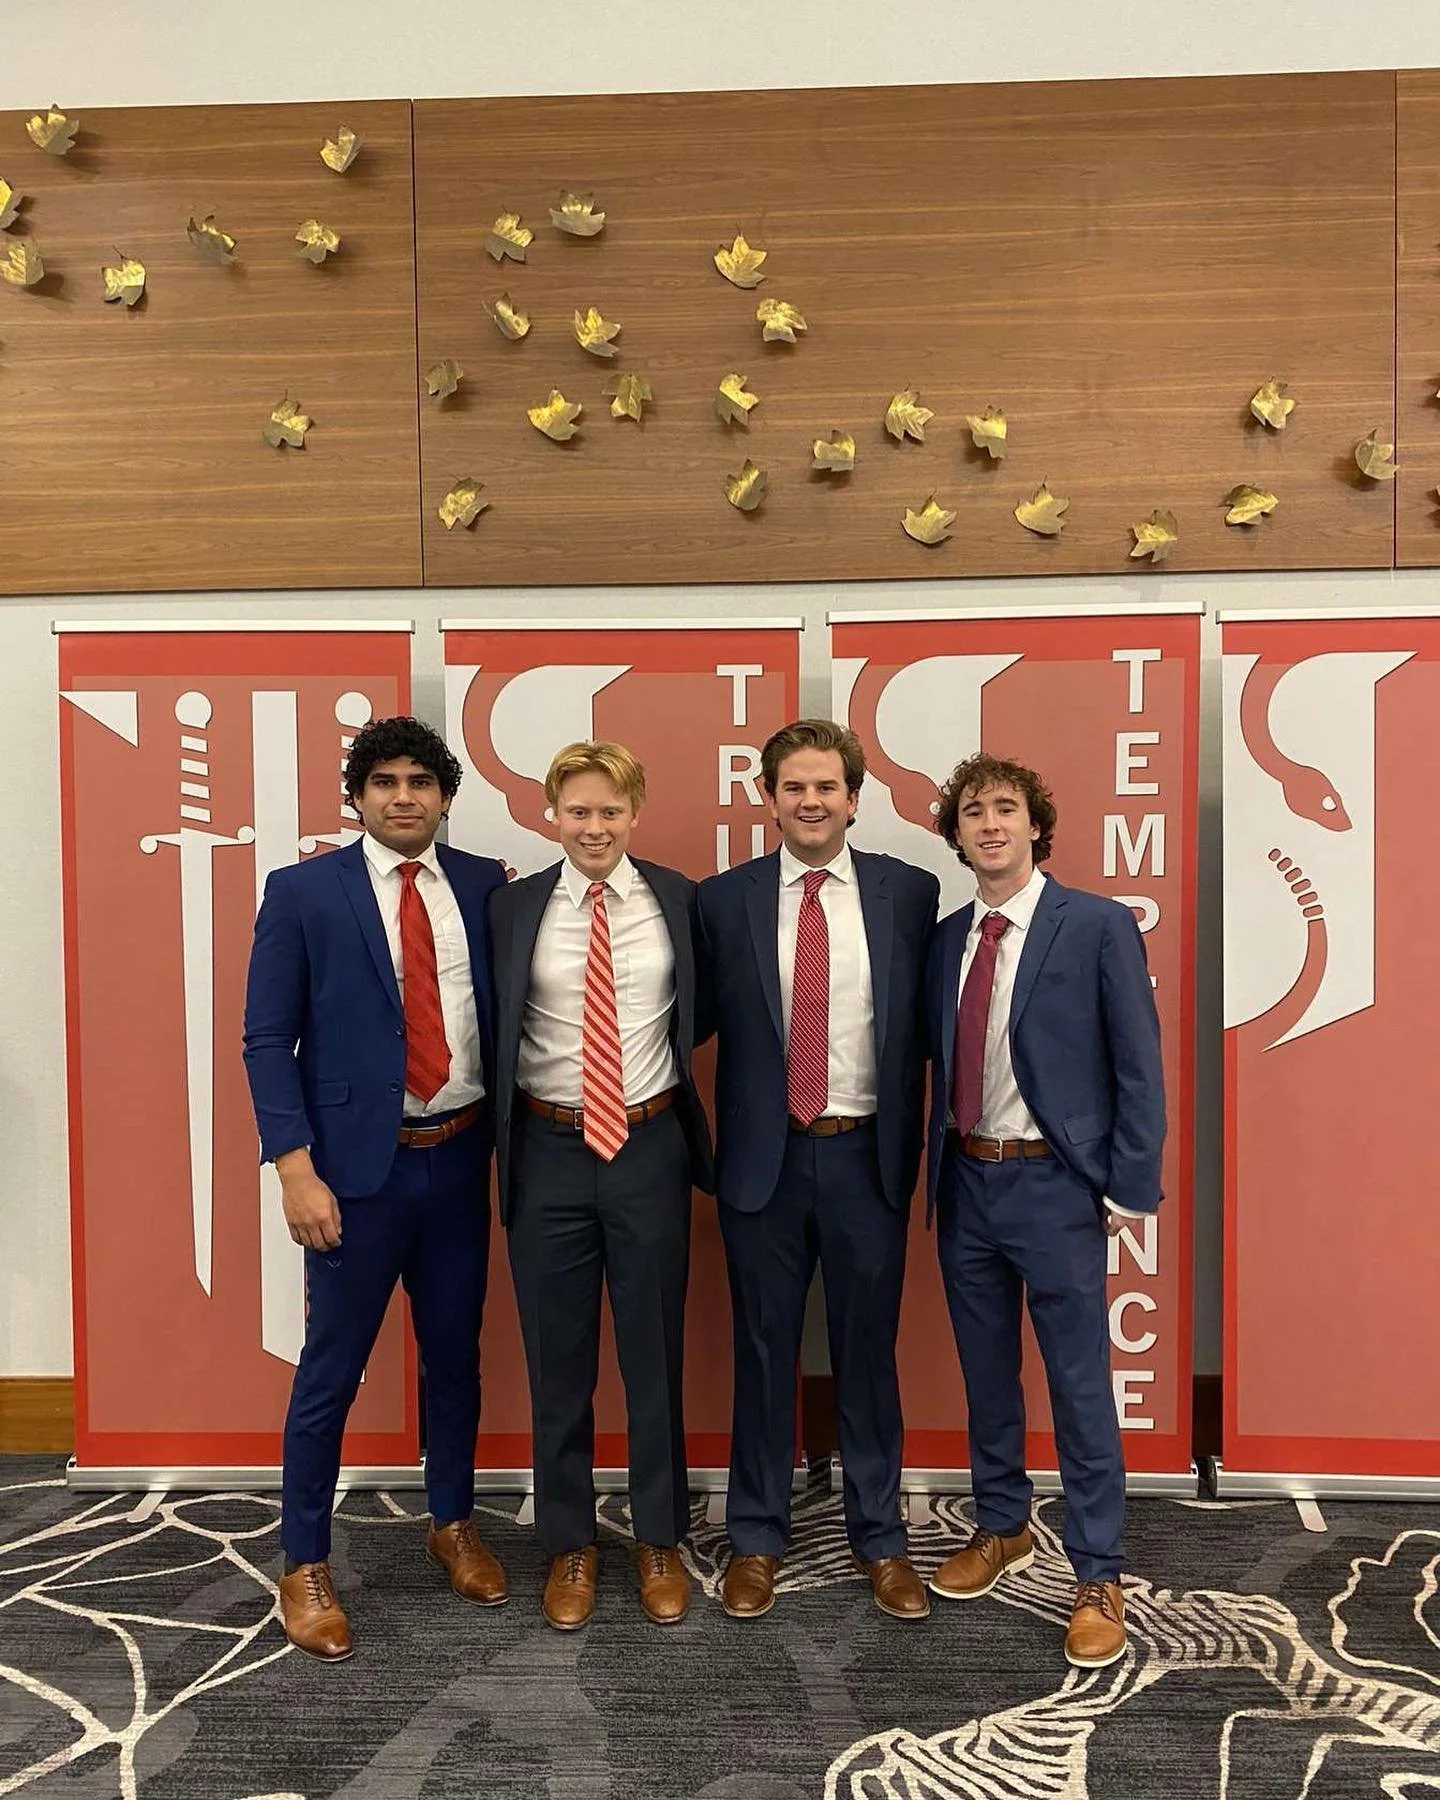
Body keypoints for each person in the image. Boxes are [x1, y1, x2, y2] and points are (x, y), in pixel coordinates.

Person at [243, 715, 507, 1661]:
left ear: (445, 797)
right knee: (331, 1370)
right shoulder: (303, 891)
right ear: (356, 796)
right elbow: (268, 1041)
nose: (404, 796)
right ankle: (304, 1559)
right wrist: (295, 1168)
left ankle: (452, 1521)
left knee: (455, 1358)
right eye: (385, 781)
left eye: (421, 782)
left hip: (461, 1156)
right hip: (354, 1176)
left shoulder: (484, 884)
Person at [924, 752, 1165, 1668]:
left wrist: (1124, 1186)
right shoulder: (949, 938)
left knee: (1078, 1386)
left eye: (1006, 808)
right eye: (973, 812)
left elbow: (1138, 1064)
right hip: (969, 1185)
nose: (989, 824)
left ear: (1035, 825)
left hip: (1058, 1189)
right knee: (987, 1375)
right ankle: (1002, 1525)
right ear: (955, 834)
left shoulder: (1095, 925)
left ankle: (1098, 1570)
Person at [696, 719, 939, 1622]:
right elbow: (680, 1023)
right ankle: (757, 1535)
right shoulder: (724, 901)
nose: (810, 802)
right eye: (792, 787)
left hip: (865, 1155)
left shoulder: (908, 893)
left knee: (867, 1352)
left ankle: (881, 1538)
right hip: (763, 1163)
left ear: (854, 797)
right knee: (763, 1352)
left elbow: (930, 1027)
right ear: (768, 797)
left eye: (826, 787)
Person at [489, 741, 714, 1630]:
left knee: (654, 1353)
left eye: (610, 811)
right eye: (577, 811)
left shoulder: (678, 899)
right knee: (559, 1360)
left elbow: (711, 1011)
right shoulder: (511, 909)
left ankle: (659, 1534)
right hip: (547, 1149)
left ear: (635, 813)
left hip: (649, 1145)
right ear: (551, 814)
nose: (594, 827)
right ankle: (570, 1543)